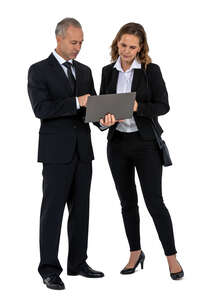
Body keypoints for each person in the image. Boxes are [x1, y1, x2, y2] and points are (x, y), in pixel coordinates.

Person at [99, 22, 184, 280]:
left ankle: (172, 257)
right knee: (127, 203)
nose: (126, 51)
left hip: (145, 144)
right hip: (118, 146)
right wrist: (102, 121)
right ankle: (135, 253)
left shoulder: (150, 70)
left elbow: (164, 105)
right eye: (123, 45)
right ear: (117, 44)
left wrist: (137, 107)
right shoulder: (107, 71)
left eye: (132, 47)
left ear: (140, 48)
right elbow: (101, 107)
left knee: (154, 202)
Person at [27, 17, 104, 290]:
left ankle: (78, 263)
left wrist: (102, 120)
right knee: (53, 212)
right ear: (58, 38)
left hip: (83, 151)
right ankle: (48, 269)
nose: (78, 47)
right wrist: (75, 102)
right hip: (56, 152)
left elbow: (91, 106)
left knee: (81, 210)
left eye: (81, 42)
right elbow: (41, 110)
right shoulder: (38, 70)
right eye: (73, 42)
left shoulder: (84, 71)